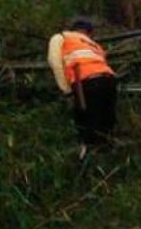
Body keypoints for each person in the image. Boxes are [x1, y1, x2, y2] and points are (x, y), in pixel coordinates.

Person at [46, 17, 116, 159]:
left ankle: (87, 159)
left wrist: (66, 90)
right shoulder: (94, 45)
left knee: (86, 124)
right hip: (110, 81)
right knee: (105, 124)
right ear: (89, 32)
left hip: (86, 82)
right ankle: (106, 159)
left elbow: (55, 62)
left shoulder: (61, 37)